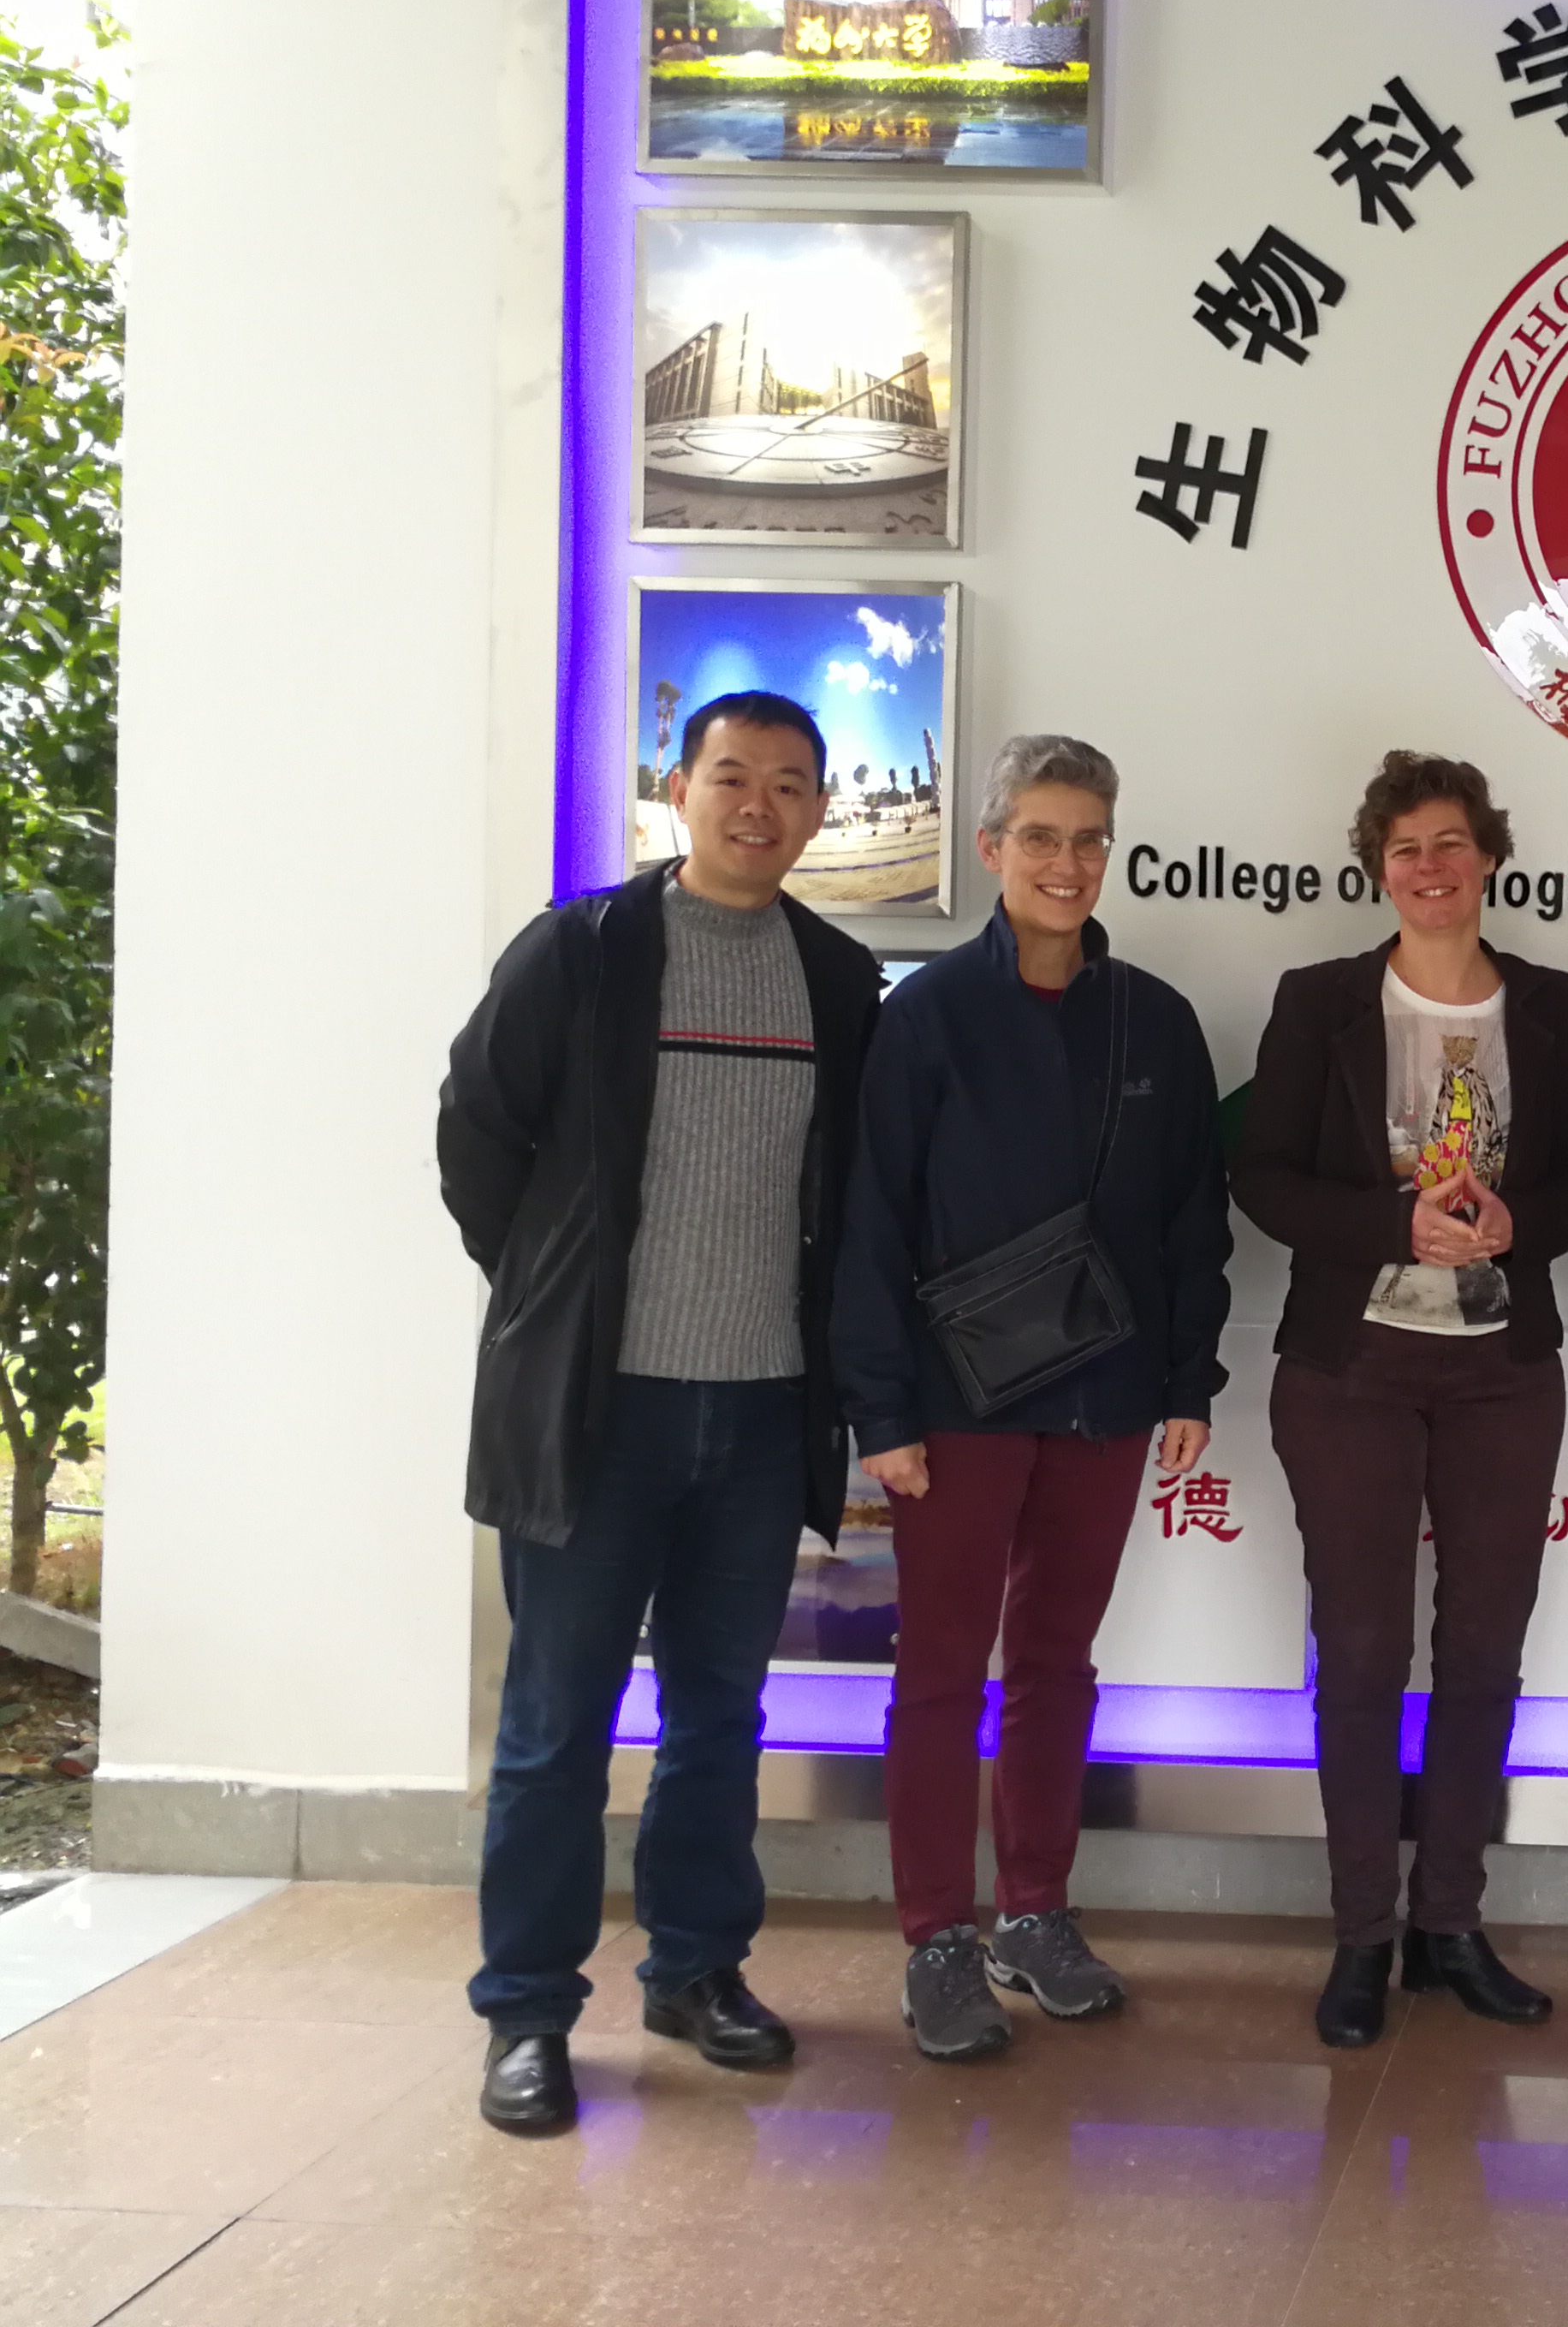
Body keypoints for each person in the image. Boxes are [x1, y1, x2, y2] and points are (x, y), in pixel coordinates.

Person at [438, 692, 882, 2135]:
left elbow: (843, 1193)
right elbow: (475, 1130)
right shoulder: (584, 949)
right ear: (677, 790)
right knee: (556, 1722)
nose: (759, 805)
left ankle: (696, 1970)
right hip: (597, 1412)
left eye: (790, 784)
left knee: (719, 1716)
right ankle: (526, 2011)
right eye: (731, 776)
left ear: (820, 811)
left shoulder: (839, 978)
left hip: (760, 1413)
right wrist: (552, 1288)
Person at [832, 735, 1232, 2062]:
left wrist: (1188, 1378)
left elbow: (1193, 1223)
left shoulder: (1154, 1021)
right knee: (943, 1668)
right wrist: (882, 1411)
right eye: (1041, 837)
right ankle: (936, 1937)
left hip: (1107, 1398)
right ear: (992, 847)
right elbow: (873, 1219)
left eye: (1088, 839)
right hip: (958, 1401)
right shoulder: (928, 1014)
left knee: (1058, 1663)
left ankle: (1036, 1912)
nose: (1067, 863)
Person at [1235, 752, 1568, 2048]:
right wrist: (1394, 1224)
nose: (1431, 868)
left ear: (1488, 856)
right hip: (1351, 1372)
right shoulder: (1322, 1001)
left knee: (1486, 1653)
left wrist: (1518, 1223)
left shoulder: (1549, 1004)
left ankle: (1450, 1922)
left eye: (1452, 843)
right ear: (1378, 870)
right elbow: (1264, 1178)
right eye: (1406, 850)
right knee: (1360, 1654)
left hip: (1503, 1373)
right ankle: (1361, 1935)